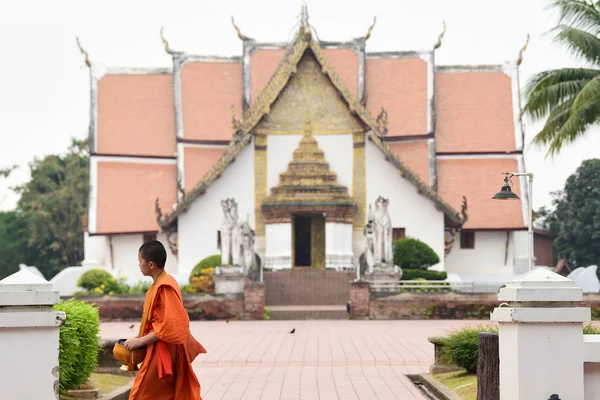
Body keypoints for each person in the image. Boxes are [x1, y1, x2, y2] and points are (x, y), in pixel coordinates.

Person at [123, 240, 207, 400]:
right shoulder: (159, 284)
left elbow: (169, 326)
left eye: (140, 261)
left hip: (164, 350)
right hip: (158, 346)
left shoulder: (165, 286)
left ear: (151, 264)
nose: (139, 265)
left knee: (143, 394)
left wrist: (140, 342)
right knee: (164, 393)